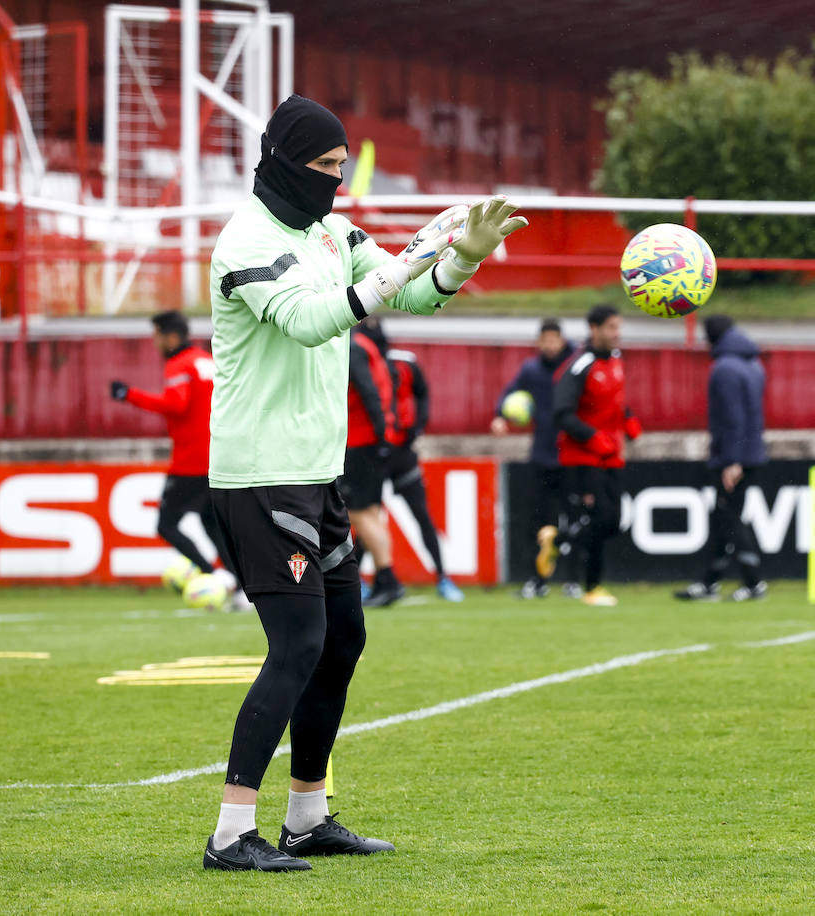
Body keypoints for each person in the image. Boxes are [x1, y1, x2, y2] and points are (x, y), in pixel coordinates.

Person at [202, 94, 526, 872]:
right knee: (300, 643)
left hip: (318, 471)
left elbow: (408, 291)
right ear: (283, 163)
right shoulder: (245, 241)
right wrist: (399, 269)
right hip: (259, 473)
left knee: (344, 637)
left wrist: (460, 257)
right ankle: (228, 834)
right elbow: (315, 319)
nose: (335, 183)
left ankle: (307, 818)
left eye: (342, 169)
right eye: (323, 168)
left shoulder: (329, 229)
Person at [110, 311, 237, 594]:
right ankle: (239, 587)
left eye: (156, 336)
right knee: (211, 524)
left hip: (190, 462)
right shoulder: (206, 360)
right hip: (216, 457)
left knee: (166, 525)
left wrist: (129, 395)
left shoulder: (178, 364)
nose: (154, 343)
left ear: (171, 337)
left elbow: (176, 404)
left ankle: (211, 574)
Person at [362, 315, 465, 602]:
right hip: (372, 452)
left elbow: (422, 393)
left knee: (419, 515)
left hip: (400, 452)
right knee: (364, 517)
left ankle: (443, 577)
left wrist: (416, 428)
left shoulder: (403, 361)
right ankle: (360, 581)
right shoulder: (358, 359)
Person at [544, 304, 640, 608]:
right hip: (582, 456)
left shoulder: (616, 360)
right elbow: (562, 414)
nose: (616, 334)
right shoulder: (579, 365)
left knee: (613, 522)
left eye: (618, 327)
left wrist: (628, 419)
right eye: (611, 328)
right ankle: (592, 587)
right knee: (602, 517)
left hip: (612, 454)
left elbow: (612, 403)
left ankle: (557, 542)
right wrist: (593, 438)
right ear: (594, 329)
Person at [674, 314, 769, 602]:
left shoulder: (724, 369)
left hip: (733, 456)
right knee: (723, 516)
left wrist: (731, 460)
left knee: (728, 517)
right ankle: (709, 582)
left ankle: (753, 583)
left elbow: (732, 418)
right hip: (751, 452)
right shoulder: (753, 364)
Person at [490, 319, 575, 597]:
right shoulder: (532, 370)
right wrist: (501, 415)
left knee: (574, 519)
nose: (550, 345)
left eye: (555, 340)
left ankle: (575, 580)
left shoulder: (575, 365)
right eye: (545, 340)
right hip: (542, 455)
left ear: (562, 341)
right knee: (537, 521)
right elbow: (508, 395)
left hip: (573, 455)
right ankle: (537, 582)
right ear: (540, 342)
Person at [340, 322, 404, 608]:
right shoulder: (369, 346)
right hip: (374, 440)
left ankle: (388, 579)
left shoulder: (353, 346)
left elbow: (367, 391)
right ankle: (383, 580)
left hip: (362, 441)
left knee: (360, 513)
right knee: (370, 513)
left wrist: (379, 435)